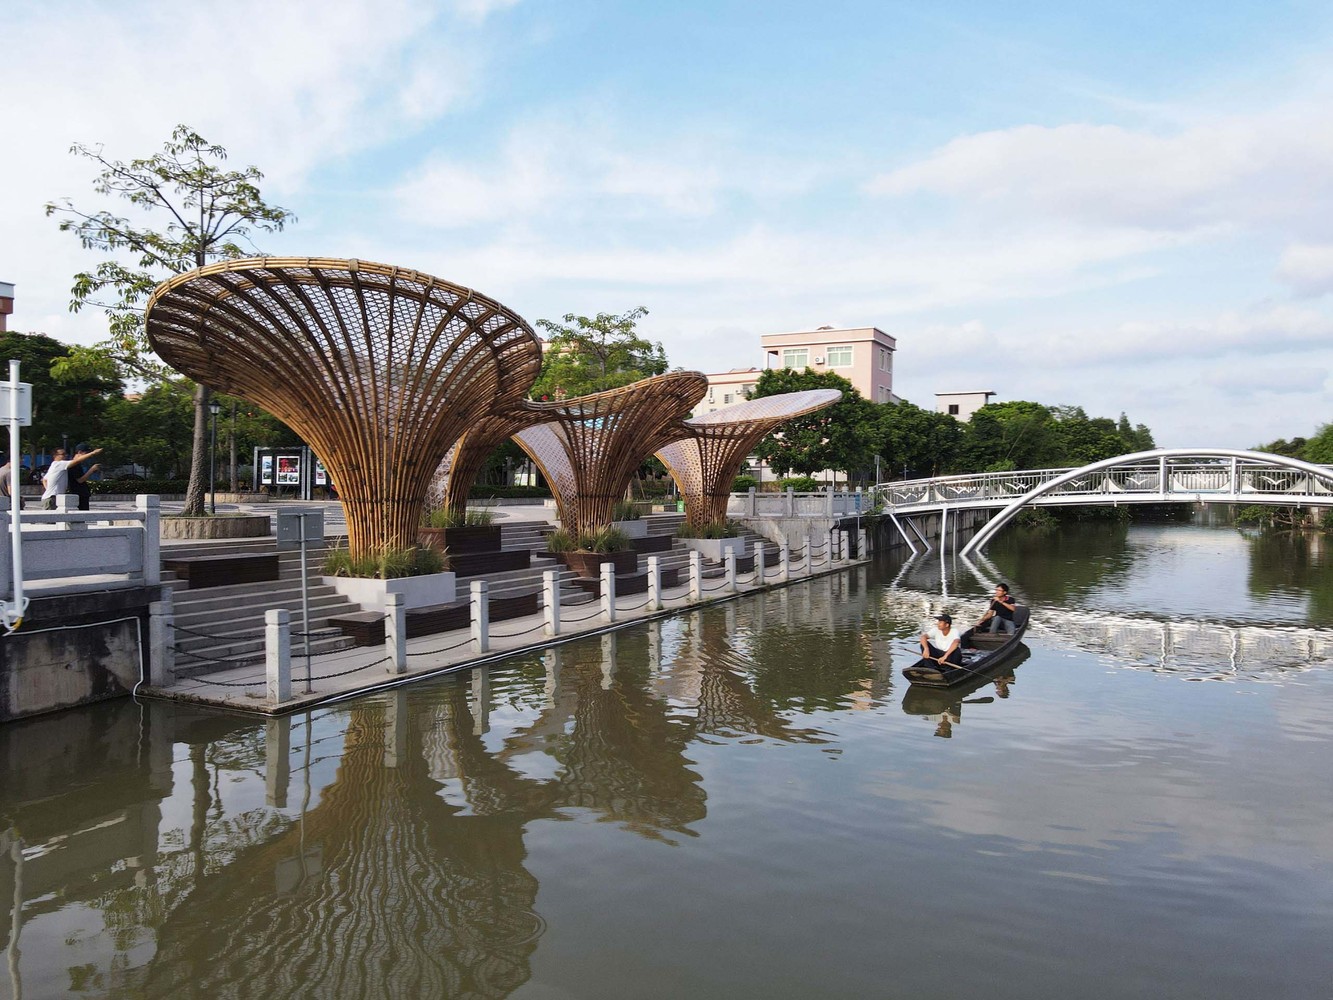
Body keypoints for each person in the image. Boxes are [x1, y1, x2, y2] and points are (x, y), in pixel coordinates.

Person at [41, 445, 102, 510]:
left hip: (55, 497)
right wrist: (93, 453)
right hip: (52, 498)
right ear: (55, 456)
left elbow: (44, 479)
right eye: (63, 454)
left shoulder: (55, 465)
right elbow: (76, 461)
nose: (66, 456)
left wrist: (49, 490)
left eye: (66, 454)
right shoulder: (59, 464)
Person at [66, 441, 102, 511]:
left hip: (81, 493)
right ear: (80, 452)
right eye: (86, 453)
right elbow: (80, 480)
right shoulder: (73, 465)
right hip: (78, 493)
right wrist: (92, 470)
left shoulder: (78, 464)